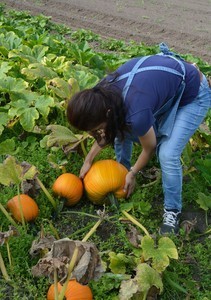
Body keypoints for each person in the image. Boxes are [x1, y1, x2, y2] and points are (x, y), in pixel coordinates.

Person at [67, 43, 211, 234]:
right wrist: (88, 160)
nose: (96, 134)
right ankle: (121, 173)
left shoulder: (136, 113)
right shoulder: (100, 94)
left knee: (167, 153)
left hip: (194, 95)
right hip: (163, 81)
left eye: (96, 129)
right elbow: (109, 129)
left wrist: (134, 172)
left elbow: (149, 147)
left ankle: (172, 211)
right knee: (121, 127)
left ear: (107, 113)